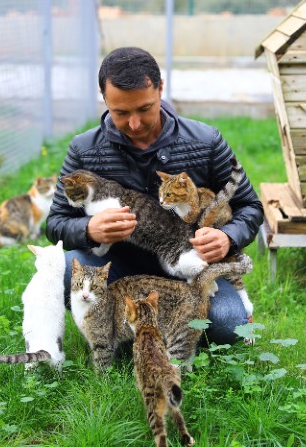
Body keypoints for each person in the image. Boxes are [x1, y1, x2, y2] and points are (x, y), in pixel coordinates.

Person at [45, 46, 264, 345]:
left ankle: (155, 328)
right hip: (117, 271)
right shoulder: (84, 150)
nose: (134, 123)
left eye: (144, 108)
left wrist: (228, 237)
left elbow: (249, 206)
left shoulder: (205, 141)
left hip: (190, 266)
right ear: (104, 97)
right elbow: (56, 222)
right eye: (121, 113)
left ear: (161, 88)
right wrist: (88, 229)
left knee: (228, 325)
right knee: (62, 271)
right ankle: (129, 328)